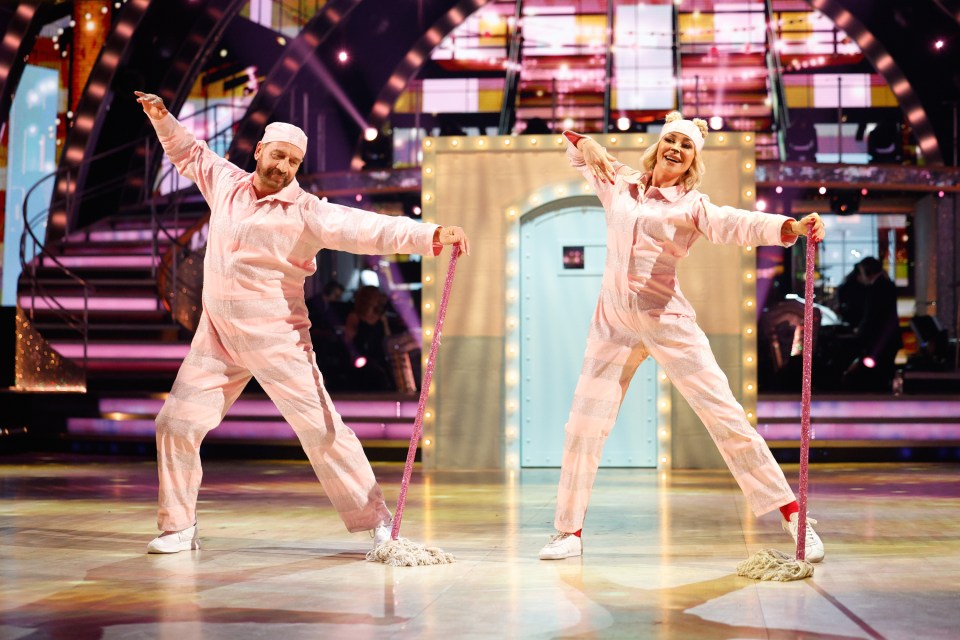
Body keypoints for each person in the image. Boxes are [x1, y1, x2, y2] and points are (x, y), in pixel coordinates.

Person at [134, 91, 470, 554]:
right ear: (258, 151)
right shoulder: (225, 183)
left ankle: (376, 523)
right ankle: (179, 526)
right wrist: (162, 116)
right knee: (174, 423)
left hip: (279, 338)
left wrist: (430, 235)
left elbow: (368, 228)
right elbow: (189, 152)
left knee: (323, 430)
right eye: (277, 156)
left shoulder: (308, 212)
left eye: (292, 161)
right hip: (216, 337)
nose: (283, 167)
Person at [538, 112, 826, 562]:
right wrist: (588, 145)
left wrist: (788, 228)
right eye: (670, 140)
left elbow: (738, 224)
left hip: (667, 319)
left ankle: (794, 515)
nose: (675, 148)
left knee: (725, 416)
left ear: (693, 160)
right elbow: (572, 143)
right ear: (658, 146)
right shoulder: (620, 182)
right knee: (582, 425)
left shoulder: (692, 204)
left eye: (686, 145)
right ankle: (568, 532)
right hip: (612, 324)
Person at [843, 257, 902, 391]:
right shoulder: (885, 284)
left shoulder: (877, 287)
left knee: (878, 375)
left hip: (880, 339)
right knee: (884, 371)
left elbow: (872, 316)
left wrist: (860, 332)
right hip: (888, 338)